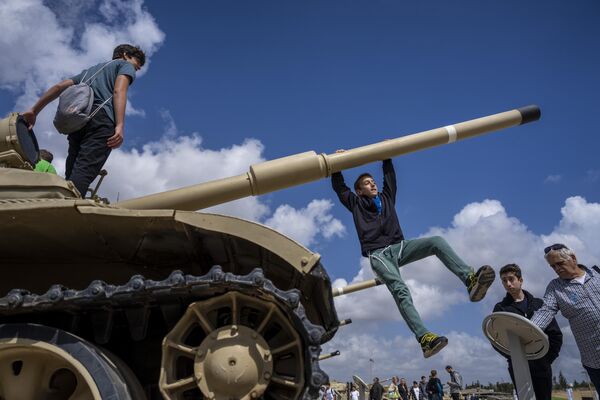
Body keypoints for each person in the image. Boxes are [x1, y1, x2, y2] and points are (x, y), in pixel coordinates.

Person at [331, 156, 496, 357]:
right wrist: (337, 164)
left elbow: (389, 177)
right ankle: (424, 338)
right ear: (359, 191)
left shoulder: (386, 197)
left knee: (436, 241)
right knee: (400, 289)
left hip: (399, 247)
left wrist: (387, 156)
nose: (372, 184)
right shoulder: (356, 204)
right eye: (367, 183)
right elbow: (340, 188)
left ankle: (469, 280)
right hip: (379, 254)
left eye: (373, 181)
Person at [22, 44, 145, 197]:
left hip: (79, 122)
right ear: (125, 54)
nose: (137, 70)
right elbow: (118, 90)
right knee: (84, 171)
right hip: (102, 121)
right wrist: (119, 125)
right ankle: (64, 214)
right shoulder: (125, 65)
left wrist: (34, 110)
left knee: (72, 173)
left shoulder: (89, 72)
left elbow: (59, 87)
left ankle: (61, 202)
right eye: (137, 64)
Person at [531, 244, 600, 396]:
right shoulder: (555, 288)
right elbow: (546, 311)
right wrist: (527, 332)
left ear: (573, 258)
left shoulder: (598, 274)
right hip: (595, 360)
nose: (557, 269)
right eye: (553, 266)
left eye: (560, 263)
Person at [493, 263, 563, 400]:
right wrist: (513, 357)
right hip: (517, 366)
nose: (508, 283)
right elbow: (496, 340)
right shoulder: (501, 308)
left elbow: (555, 334)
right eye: (504, 280)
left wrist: (547, 359)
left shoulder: (539, 304)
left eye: (511, 279)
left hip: (542, 364)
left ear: (520, 280)